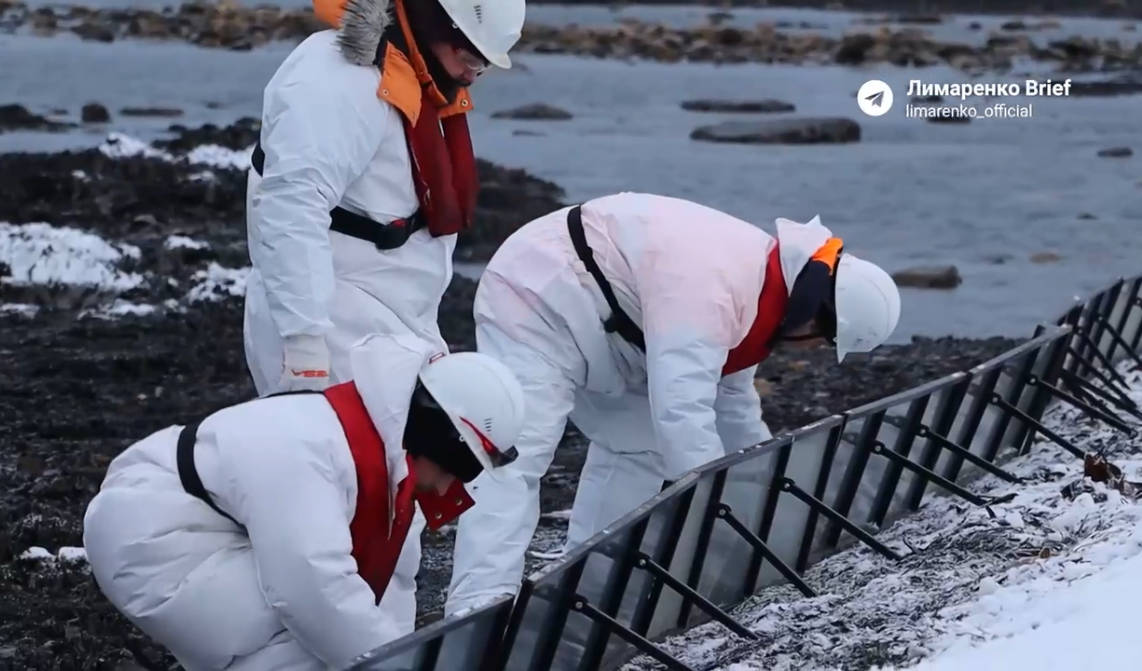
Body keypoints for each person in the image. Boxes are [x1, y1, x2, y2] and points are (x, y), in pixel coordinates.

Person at [445, 192, 902, 616]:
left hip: (608, 326)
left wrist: (768, 495)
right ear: (818, 315)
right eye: (825, 340)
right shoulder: (716, 282)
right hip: (538, 292)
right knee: (514, 455)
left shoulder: (765, 288)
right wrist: (717, 509)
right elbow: (682, 410)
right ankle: (479, 608)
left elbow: (735, 407)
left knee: (640, 449)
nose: (813, 349)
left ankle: (587, 597)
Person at [83, 334, 525, 670]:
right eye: (463, 466)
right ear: (437, 433)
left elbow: (392, 585)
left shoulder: (388, 459)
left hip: (214, 522)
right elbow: (313, 589)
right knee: (294, 647)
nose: (453, 486)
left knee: (329, 639)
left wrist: (401, 657)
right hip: (151, 528)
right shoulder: (309, 448)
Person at [242, 0, 525, 396]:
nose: (471, 75)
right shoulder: (338, 77)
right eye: (468, 57)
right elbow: (291, 202)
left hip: (396, 326)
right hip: (335, 335)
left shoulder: (413, 78)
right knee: (342, 459)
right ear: (433, 24)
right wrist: (305, 345)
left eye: (483, 65)